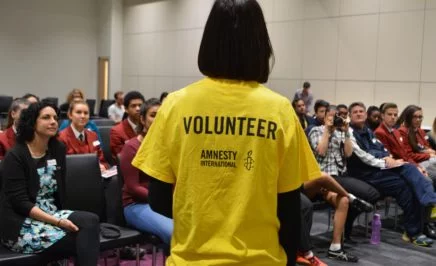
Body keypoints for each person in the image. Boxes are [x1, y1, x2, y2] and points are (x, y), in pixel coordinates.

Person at [132, 1, 322, 265]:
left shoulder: (175, 105)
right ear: (260, 44)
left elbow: (158, 199)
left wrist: (204, 218)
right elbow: (289, 207)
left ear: (209, 41)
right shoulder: (280, 111)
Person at [0, 102, 100, 265]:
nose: (53, 121)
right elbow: (21, 204)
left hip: (51, 213)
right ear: (32, 122)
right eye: (46, 117)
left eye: (55, 117)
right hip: (21, 222)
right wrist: (59, 223)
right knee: (83, 239)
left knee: (91, 221)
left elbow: (60, 191)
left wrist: (60, 218)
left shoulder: (57, 148)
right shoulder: (15, 156)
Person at [347, 102, 436, 246]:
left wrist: (387, 157)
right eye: (355, 112)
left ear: (365, 114)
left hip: (379, 169)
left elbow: (380, 148)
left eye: (361, 111)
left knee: (411, 174)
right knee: (406, 183)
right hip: (365, 173)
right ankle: (418, 224)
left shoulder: (368, 130)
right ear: (350, 116)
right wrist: (385, 160)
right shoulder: (349, 132)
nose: (359, 114)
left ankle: (420, 219)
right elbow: (363, 155)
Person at [308, 107, 379, 243]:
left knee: (372, 195)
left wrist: (346, 132)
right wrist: (327, 131)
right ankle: (347, 222)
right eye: (331, 116)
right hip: (325, 177)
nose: (334, 119)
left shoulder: (341, 133)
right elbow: (321, 152)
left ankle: (345, 230)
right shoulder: (316, 130)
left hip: (341, 176)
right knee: (369, 194)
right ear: (324, 118)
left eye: (338, 116)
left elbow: (348, 154)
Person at [375, 103, 436, 238]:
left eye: (395, 114)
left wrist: (418, 167)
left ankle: (428, 215)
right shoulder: (380, 132)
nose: (393, 117)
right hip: (392, 169)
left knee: (424, 178)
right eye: (390, 114)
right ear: (382, 116)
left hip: (405, 164)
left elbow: (406, 155)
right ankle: (428, 216)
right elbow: (388, 156)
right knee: (425, 181)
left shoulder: (395, 131)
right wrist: (418, 164)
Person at [120, 98, 173, 246]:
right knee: (175, 232)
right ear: (142, 119)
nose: (158, 118)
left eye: (162, 114)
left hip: (166, 203)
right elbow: (133, 187)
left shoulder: (169, 145)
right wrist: (163, 200)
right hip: (137, 205)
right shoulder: (131, 147)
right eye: (153, 115)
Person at [58, 100, 109, 172]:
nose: (83, 116)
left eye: (86, 113)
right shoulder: (61, 138)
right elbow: (61, 167)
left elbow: (102, 159)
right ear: (70, 115)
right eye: (78, 112)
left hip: (96, 177)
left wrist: (103, 166)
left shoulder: (93, 135)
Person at [110, 91, 145, 158]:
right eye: (133, 106)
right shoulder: (116, 131)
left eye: (140, 105)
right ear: (126, 109)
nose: (138, 109)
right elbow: (123, 158)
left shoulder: (148, 127)